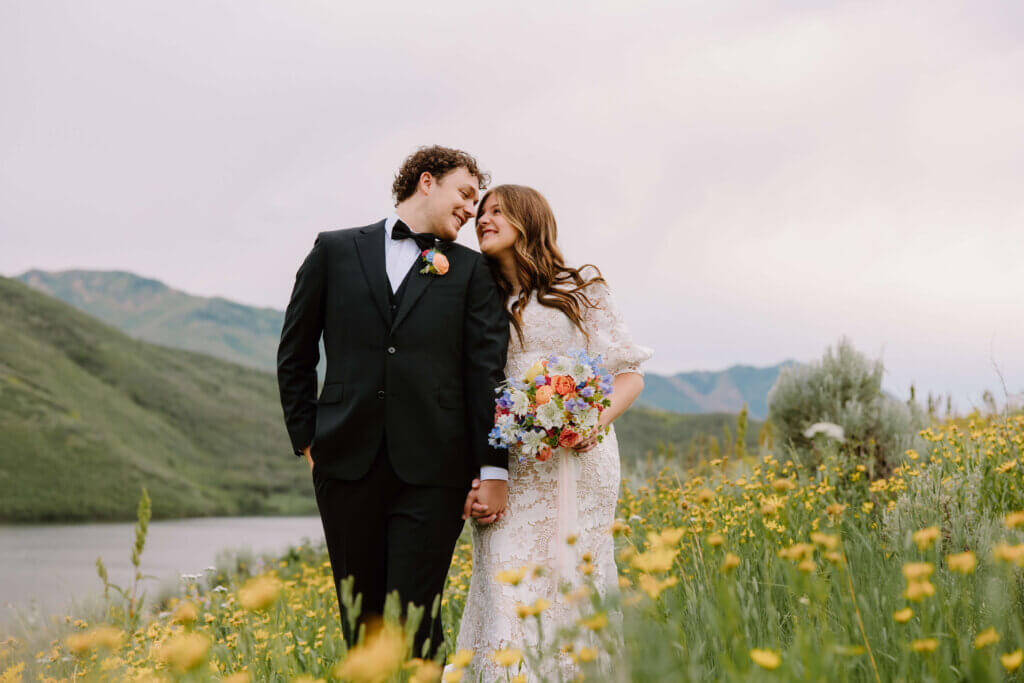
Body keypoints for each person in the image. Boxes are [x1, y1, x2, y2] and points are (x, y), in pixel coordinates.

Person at [276, 145, 510, 658]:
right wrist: (307, 443)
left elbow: (486, 376)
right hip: (344, 465)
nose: (471, 210)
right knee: (361, 624)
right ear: (427, 181)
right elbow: (295, 352)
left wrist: (494, 469)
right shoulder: (333, 250)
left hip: (435, 471)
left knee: (416, 623)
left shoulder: (473, 272)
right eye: (465, 194)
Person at [455, 184, 651, 681]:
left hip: (582, 461)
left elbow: (628, 375)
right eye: (480, 212)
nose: (483, 218)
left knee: (575, 584)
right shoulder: (480, 299)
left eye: (497, 210)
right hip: (512, 466)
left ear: (529, 219)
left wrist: (591, 422)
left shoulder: (581, 287)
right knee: (505, 584)